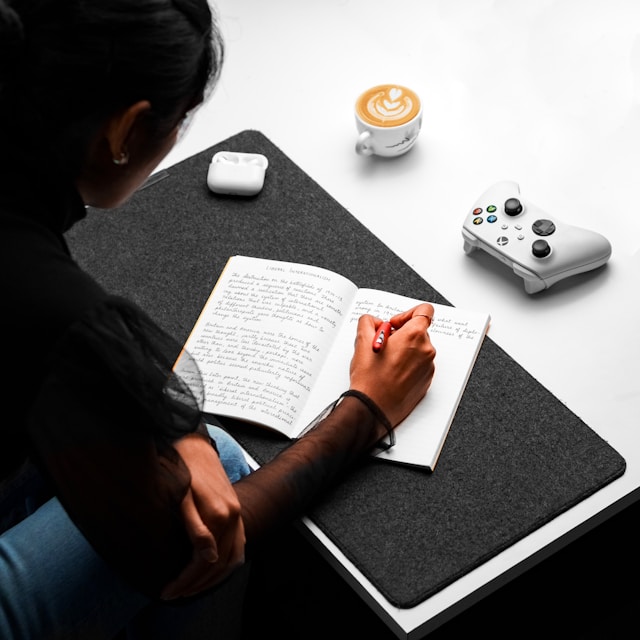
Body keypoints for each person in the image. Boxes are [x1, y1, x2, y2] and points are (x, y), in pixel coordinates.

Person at [0, 1, 436, 638]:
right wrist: (367, 409)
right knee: (219, 481)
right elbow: (184, 554)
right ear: (126, 131)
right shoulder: (46, 305)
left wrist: (180, 427)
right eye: (181, 121)